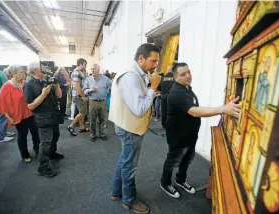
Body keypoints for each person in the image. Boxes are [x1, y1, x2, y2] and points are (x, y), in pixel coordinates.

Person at [160, 63, 240, 198]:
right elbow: (194, 111)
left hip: (190, 134)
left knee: (187, 159)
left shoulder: (187, 88)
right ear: (175, 78)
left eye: (189, 72)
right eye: (183, 74)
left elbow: (194, 108)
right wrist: (222, 109)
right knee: (173, 160)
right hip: (178, 136)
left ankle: (180, 180)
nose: (188, 76)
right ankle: (165, 183)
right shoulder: (177, 93)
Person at [109, 43, 162, 214]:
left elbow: (136, 98)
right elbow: (139, 109)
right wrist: (153, 88)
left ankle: (116, 192)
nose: (155, 65)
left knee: (124, 160)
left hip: (127, 125)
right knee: (129, 165)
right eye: (153, 61)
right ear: (141, 58)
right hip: (130, 128)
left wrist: (149, 90)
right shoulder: (131, 76)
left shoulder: (136, 73)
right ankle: (129, 201)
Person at [24, 62, 63, 178]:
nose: (45, 70)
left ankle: (52, 153)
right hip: (43, 118)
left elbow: (59, 96)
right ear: (36, 70)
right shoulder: (29, 85)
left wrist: (57, 86)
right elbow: (31, 106)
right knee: (45, 142)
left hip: (53, 115)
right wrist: (43, 95)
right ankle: (43, 166)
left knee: (56, 136)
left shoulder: (47, 81)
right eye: (43, 68)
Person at [0, 65, 40, 163]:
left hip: (31, 113)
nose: (23, 74)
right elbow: (2, 103)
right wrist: (8, 117)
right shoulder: (7, 86)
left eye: (24, 72)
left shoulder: (26, 83)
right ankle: (25, 154)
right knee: (22, 135)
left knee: (35, 133)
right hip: (18, 115)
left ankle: (38, 149)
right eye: (21, 72)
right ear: (14, 74)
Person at [83, 64, 112, 142]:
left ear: (98, 70)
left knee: (102, 119)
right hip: (92, 102)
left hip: (103, 102)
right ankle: (93, 134)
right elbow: (84, 90)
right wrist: (90, 90)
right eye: (91, 69)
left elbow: (112, 86)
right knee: (92, 120)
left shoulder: (106, 79)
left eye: (94, 69)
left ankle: (102, 134)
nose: (92, 70)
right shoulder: (88, 79)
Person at [67, 59, 89, 136]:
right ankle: (71, 126)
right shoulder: (76, 72)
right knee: (83, 112)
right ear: (80, 64)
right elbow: (77, 86)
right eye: (84, 64)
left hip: (81, 95)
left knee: (81, 112)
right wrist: (83, 96)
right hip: (78, 96)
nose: (85, 66)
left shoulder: (82, 72)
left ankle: (82, 127)